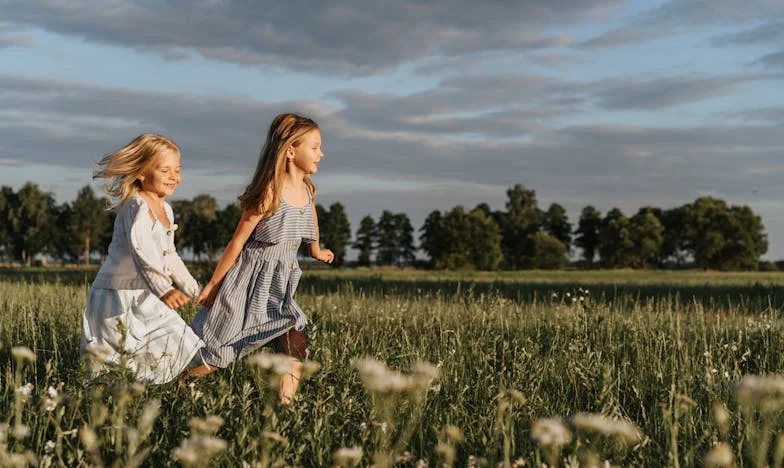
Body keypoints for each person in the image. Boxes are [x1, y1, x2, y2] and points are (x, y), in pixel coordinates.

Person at [191, 113, 334, 403]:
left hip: (278, 288)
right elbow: (236, 243)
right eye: (315, 146)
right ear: (291, 151)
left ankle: (285, 411)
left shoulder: (306, 188)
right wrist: (214, 285)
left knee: (294, 342)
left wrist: (315, 249)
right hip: (247, 285)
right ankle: (180, 383)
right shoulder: (269, 193)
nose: (322, 153)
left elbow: (311, 216)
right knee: (219, 352)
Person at [81, 133, 205, 384]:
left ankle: (169, 394)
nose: (174, 177)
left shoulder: (167, 209)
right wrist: (165, 289)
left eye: (177, 170)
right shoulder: (135, 206)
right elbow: (142, 251)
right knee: (115, 367)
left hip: (148, 294)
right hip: (116, 297)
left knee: (184, 344)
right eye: (165, 170)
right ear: (141, 173)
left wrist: (195, 290)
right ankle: (102, 408)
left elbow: (169, 256)